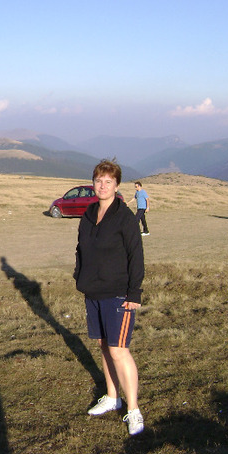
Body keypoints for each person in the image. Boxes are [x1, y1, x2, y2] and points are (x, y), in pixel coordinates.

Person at [74, 159, 145, 436]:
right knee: (104, 346)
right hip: (93, 291)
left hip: (119, 294)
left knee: (119, 349)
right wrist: (79, 275)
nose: (102, 186)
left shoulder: (125, 217)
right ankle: (112, 397)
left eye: (108, 181)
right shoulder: (90, 213)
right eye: (98, 181)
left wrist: (134, 292)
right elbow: (81, 248)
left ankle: (134, 409)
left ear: (117, 185)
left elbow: (135, 256)